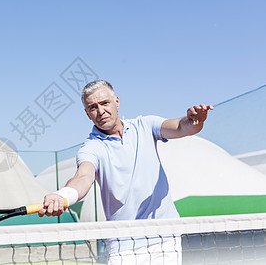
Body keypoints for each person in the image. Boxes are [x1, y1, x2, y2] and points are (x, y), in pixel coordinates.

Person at [38, 80, 213, 264]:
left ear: (117, 102)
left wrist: (195, 121)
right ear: (87, 114)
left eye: (105, 103)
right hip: (124, 244)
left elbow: (182, 127)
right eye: (93, 107)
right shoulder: (90, 148)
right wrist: (63, 196)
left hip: (165, 236)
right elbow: (83, 177)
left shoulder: (145, 125)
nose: (101, 111)